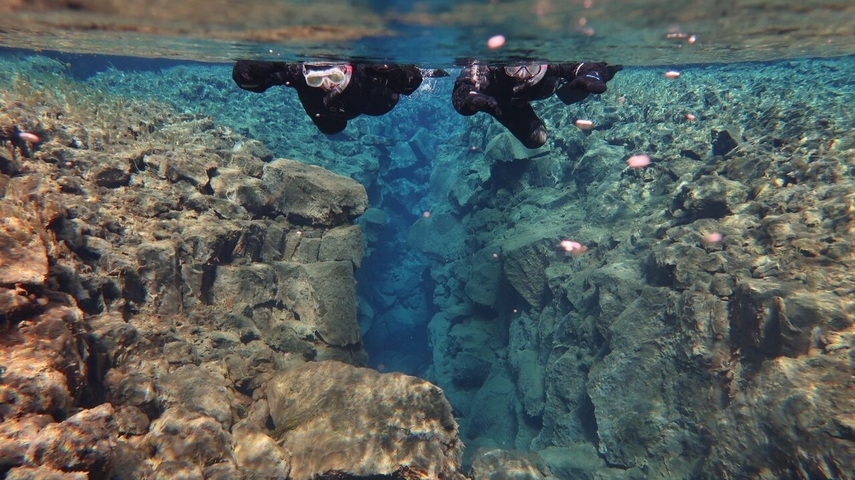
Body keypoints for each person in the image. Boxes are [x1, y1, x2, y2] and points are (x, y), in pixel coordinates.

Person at [451, 62, 622, 148]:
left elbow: (581, 66)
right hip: (501, 100)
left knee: (536, 139)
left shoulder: (554, 66)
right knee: (535, 139)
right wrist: (471, 100)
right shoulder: (490, 69)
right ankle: (493, 107)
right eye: (514, 67)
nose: (522, 75)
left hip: (550, 89)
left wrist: (593, 74)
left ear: (543, 65)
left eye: (531, 67)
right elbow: (464, 85)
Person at [232, 60, 424, 135]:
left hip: (371, 102)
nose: (326, 85)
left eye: (334, 77)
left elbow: (410, 83)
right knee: (331, 128)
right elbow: (248, 81)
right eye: (315, 79)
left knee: (382, 105)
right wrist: (256, 69)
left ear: (346, 70)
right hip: (329, 113)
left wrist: (396, 73)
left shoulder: (364, 70)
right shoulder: (297, 73)